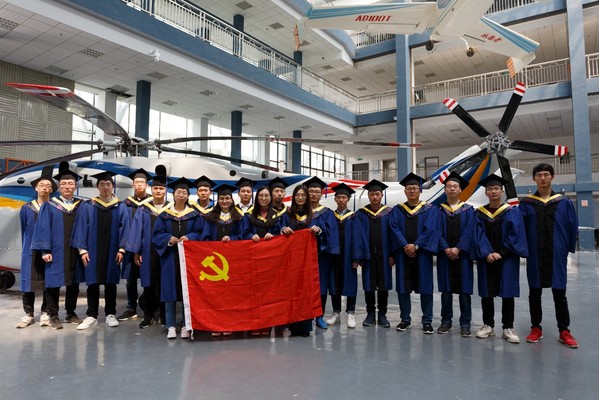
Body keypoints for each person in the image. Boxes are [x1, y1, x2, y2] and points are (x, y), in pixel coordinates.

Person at [519, 163, 579, 349]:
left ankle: (564, 330)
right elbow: (520, 229)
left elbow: (572, 226)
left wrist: (567, 248)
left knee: (559, 293)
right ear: (534, 178)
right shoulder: (526, 203)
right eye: (539, 175)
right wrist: (523, 250)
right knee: (534, 293)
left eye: (546, 174)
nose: (543, 178)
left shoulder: (564, 202)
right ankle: (536, 328)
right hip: (535, 254)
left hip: (556, 253)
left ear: (552, 177)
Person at [72, 171, 130, 330]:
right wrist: (82, 250)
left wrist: (122, 249)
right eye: (102, 184)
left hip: (113, 250)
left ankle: (110, 314)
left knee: (111, 282)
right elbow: (81, 227)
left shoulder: (120, 206)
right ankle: (92, 315)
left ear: (113, 186)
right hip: (92, 250)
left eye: (108, 184)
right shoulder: (88, 206)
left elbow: (125, 228)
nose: (105, 187)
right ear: (97, 186)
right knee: (93, 282)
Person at [473, 174, 528, 344]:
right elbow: (477, 235)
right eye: (490, 189)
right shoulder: (479, 213)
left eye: (496, 188)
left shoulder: (512, 211)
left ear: (502, 191)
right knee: (486, 292)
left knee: (507, 292)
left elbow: (515, 234)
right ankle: (488, 325)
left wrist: (501, 253)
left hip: (507, 258)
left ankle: (508, 327)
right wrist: (487, 253)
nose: (493, 191)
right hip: (486, 258)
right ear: (486, 192)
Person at [32, 166, 84, 329]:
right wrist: (45, 250)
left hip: (75, 250)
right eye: (64, 183)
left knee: (74, 283)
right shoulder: (50, 205)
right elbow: (43, 228)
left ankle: (71, 312)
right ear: (59, 187)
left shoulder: (81, 205)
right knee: (53, 283)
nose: (67, 186)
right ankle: (53, 315)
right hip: (56, 250)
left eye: (70, 183)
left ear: (75, 186)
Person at [153, 177, 204, 339]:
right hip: (169, 257)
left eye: (184, 192)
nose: (181, 195)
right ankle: (170, 325)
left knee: (186, 291)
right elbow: (157, 234)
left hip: (188, 259)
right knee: (169, 291)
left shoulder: (194, 215)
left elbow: (200, 233)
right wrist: (168, 239)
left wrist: (190, 237)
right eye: (178, 192)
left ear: (188, 196)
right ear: (173, 195)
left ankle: (185, 325)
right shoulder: (165, 215)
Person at [391, 172, 440, 334]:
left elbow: (430, 229)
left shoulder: (430, 210)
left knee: (425, 286)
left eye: (415, 188)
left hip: (423, 253)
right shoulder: (398, 210)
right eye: (409, 188)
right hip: (403, 253)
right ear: (405, 191)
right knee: (403, 287)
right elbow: (394, 228)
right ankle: (405, 319)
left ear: (420, 190)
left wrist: (416, 246)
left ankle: (427, 321)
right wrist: (406, 245)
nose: (412, 191)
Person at [126, 166, 170, 329]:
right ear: (152, 190)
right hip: (147, 251)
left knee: (164, 284)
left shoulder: (171, 209)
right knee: (148, 283)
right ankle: (148, 315)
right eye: (156, 188)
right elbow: (137, 230)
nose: (158, 191)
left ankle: (165, 315)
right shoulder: (143, 209)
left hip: (166, 252)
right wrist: (136, 251)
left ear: (165, 190)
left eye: (161, 188)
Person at [203, 183, 246, 337]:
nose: (224, 201)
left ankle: (229, 323)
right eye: (221, 198)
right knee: (216, 294)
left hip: (233, 260)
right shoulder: (210, 218)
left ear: (232, 199)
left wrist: (232, 239)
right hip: (215, 261)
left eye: (227, 198)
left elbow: (243, 236)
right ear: (218, 200)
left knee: (231, 294)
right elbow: (205, 237)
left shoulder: (238, 217)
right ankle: (216, 324)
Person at [436, 172, 476, 337]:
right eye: (449, 186)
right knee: (446, 290)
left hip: (463, 255)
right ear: (445, 190)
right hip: (444, 256)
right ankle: (446, 321)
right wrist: (446, 248)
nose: (452, 189)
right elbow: (436, 231)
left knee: (464, 290)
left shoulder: (469, 210)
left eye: (455, 186)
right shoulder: (439, 210)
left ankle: (465, 323)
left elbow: (470, 231)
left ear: (460, 190)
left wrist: (458, 248)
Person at [280, 184, 323, 337]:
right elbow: (280, 229)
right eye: (297, 195)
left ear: (307, 197)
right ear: (293, 197)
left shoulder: (313, 215)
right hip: (291, 259)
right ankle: (293, 326)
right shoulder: (287, 214)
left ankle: (305, 327)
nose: (300, 198)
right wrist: (282, 230)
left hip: (307, 260)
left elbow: (322, 234)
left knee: (306, 290)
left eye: (303, 195)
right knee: (292, 291)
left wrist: (318, 231)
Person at [352, 179, 394, 328]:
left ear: (382, 195)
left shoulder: (389, 213)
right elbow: (357, 236)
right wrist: (359, 256)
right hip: (368, 255)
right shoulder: (361, 214)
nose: (375, 197)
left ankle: (382, 314)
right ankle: (370, 314)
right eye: (372, 194)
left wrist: (393, 254)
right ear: (368, 196)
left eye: (377, 194)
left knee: (383, 285)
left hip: (384, 255)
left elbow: (393, 234)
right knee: (368, 285)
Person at [16, 170, 56, 329]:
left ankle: (45, 312)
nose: (45, 188)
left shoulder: (54, 207)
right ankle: (29, 314)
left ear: (52, 190)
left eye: (48, 186)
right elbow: (24, 228)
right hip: (30, 249)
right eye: (42, 185)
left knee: (48, 282)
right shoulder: (26, 208)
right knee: (28, 282)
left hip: (49, 250)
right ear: (36, 188)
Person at [241, 185, 280, 336]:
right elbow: (243, 233)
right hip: (253, 259)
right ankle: (254, 324)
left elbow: (281, 233)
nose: (264, 198)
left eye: (266, 196)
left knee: (268, 292)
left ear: (271, 198)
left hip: (270, 260)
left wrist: (274, 236)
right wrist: (250, 236)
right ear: (256, 198)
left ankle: (267, 324)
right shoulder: (249, 215)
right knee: (254, 292)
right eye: (261, 196)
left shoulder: (277, 215)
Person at [302, 177, 339, 330]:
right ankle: (304, 316)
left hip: (321, 256)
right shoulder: (299, 212)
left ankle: (319, 316)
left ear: (321, 194)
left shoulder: (327, 213)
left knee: (321, 285)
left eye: (317, 191)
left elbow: (332, 233)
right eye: (311, 191)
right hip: (303, 256)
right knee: (303, 285)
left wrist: (320, 232)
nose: (314, 194)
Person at [118, 168, 152, 322]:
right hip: (130, 248)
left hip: (147, 248)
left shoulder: (153, 204)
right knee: (131, 280)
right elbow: (121, 227)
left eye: (142, 182)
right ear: (133, 185)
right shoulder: (125, 204)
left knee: (148, 279)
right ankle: (131, 308)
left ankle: (151, 308)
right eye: (137, 182)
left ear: (146, 185)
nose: (139, 184)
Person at [324, 183, 357, 328]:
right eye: (339, 197)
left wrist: (356, 257)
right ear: (335, 199)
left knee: (350, 282)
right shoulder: (330, 216)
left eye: (344, 197)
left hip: (349, 255)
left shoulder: (354, 217)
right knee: (334, 283)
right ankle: (336, 312)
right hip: (334, 255)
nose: (341, 200)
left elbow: (358, 237)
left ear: (348, 199)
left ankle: (351, 312)